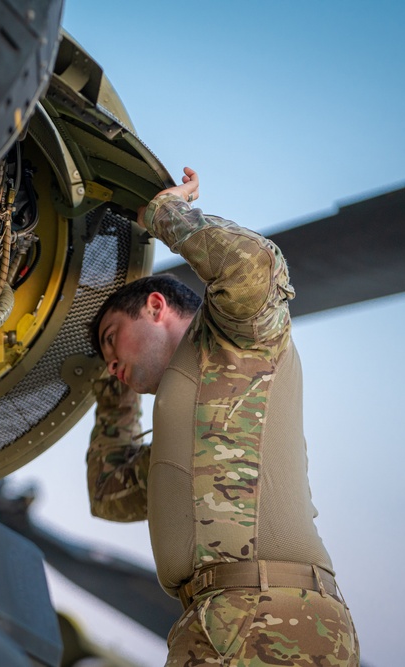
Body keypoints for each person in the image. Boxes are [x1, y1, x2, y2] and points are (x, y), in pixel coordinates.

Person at [86, 167, 359, 666]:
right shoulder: (182, 445)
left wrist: (168, 213)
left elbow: (255, 265)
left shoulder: (238, 339)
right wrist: (112, 386)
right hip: (221, 621)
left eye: (111, 338)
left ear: (155, 306)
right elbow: (109, 493)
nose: (110, 361)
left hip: (265, 617)